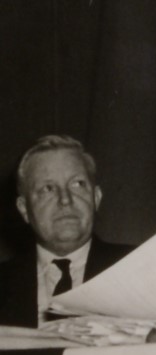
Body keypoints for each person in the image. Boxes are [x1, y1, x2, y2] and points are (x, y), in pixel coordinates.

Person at [0, 134, 130, 327]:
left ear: (96, 198)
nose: (65, 199)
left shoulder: (138, 268)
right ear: (24, 209)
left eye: (77, 184)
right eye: (48, 188)